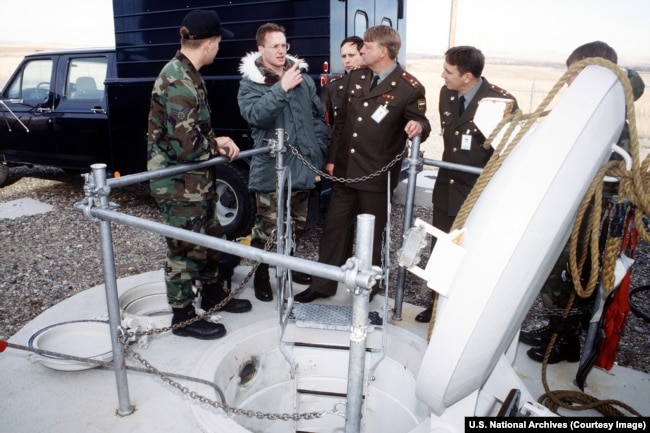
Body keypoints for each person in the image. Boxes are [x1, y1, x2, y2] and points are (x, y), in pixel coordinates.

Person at [521, 41, 645, 363]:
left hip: (592, 215)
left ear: (595, 73)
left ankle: (567, 342)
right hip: (572, 208)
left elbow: (614, 174)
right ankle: (554, 328)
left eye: (574, 74)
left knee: (574, 276)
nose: (567, 81)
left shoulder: (612, 115)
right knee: (555, 272)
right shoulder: (590, 110)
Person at [294, 25, 431, 303]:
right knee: (334, 228)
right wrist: (332, 160)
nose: (361, 51)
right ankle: (323, 285)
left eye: (366, 46)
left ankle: (369, 286)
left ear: (383, 51)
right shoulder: (357, 78)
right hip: (345, 172)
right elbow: (342, 124)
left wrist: (419, 125)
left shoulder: (409, 87)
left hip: (377, 176)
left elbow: (421, 121)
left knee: (373, 235)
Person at [148, 10, 252, 340]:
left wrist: (213, 141)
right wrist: (218, 144)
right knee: (183, 250)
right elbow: (187, 147)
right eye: (219, 43)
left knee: (210, 238)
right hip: (179, 185)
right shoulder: (178, 81)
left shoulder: (189, 74)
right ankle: (183, 318)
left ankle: (210, 295)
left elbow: (192, 133)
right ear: (207, 44)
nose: (219, 48)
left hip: (197, 181)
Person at [415, 46, 518, 323]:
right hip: (446, 189)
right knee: (442, 247)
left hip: (477, 194)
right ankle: (435, 304)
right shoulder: (447, 93)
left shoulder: (500, 102)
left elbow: (506, 154)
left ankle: (463, 311)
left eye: (448, 72)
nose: (442, 76)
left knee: (470, 252)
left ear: (468, 77)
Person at [237, 22, 329, 302]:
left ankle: (288, 264)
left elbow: (316, 118)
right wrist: (282, 89)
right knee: (269, 228)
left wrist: (319, 151)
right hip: (271, 168)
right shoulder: (250, 83)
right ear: (261, 48)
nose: (280, 50)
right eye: (274, 45)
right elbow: (256, 116)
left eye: (284, 45)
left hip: (303, 165)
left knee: (298, 224)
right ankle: (262, 272)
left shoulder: (302, 77)